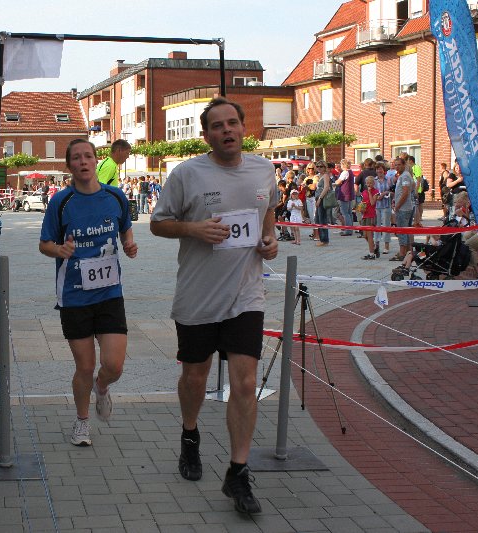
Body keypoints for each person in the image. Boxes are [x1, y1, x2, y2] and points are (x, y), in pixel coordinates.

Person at [150, 97, 277, 515]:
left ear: (243, 127)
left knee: (245, 382)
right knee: (195, 377)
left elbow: (268, 214)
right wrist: (193, 229)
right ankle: (190, 435)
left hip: (246, 295)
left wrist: (270, 240)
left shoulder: (264, 170)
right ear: (206, 135)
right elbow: (158, 223)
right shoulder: (187, 174)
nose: (227, 130)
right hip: (198, 296)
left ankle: (238, 473)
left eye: (232, 123)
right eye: (218, 126)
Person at [39, 139, 138, 447]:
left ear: (97, 160)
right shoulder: (61, 202)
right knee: (84, 366)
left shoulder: (115, 196)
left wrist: (128, 243)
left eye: (88, 156)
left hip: (109, 293)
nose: (83, 161)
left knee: (114, 366)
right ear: (69, 166)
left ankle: (102, 387)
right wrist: (59, 250)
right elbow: (44, 244)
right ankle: (82, 422)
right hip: (74, 296)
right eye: (76, 158)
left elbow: (125, 227)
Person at [390, 157, 416, 262]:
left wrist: (397, 206)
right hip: (406, 207)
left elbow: (405, 192)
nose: (397, 167)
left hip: (403, 208)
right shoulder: (404, 175)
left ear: (404, 165)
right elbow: (412, 186)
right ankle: (408, 252)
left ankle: (402, 253)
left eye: (399, 165)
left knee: (402, 230)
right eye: (395, 165)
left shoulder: (405, 176)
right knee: (407, 230)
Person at [373, 161, 394, 255]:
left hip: (386, 205)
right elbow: (371, 192)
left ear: (384, 170)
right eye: (377, 169)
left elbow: (393, 192)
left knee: (386, 225)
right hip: (376, 206)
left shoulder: (389, 179)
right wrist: (376, 196)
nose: (379, 171)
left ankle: (386, 246)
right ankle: (376, 244)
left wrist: (386, 193)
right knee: (376, 225)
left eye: (380, 169)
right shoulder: (374, 180)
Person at [359, 175, 379, 259]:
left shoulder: (376, 192)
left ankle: (371, 253)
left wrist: (370, 192)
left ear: (373, 183)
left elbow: (372, 203)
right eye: (367, 183)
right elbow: (363, 202)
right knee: (365, 235)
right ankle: (374, 247)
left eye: (370, 183)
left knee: (370, 235)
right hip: (365, 214)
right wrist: (361, 208)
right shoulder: (363, 192)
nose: (369, 184)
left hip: (371, 215)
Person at [314, 160, 333, 246]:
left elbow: (326, 188)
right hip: (318, 198)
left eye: (321, 166)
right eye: (317, 166)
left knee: (322, 219)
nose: (319, 168)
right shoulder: (319, 176)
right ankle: (322, 238)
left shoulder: (325, 175)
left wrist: (320, 198)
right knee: (318, 219)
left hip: (322, 199)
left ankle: (324, 239)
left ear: (325, 167)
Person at [335, 159, 354, 236]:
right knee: (349, 213)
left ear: (343, 165)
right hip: (350, 194)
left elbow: (338, 182)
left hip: (344, 194)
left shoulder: (345, 172)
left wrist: (335, 182)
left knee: (345, 213)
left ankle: (348, 230)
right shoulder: (351, 172)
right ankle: (351, 229)